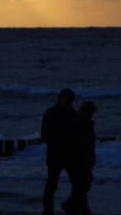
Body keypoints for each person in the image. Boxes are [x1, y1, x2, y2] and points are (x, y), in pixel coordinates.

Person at [41, 87, 77, 215]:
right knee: (52, 183)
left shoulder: (72, 113)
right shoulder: (51, 113)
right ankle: (47, 208)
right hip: (55, 154)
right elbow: (44, 135)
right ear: (61, 98)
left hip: (69, 154)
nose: (69, 102)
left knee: (77, 182)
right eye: (67, 99)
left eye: (71, 100)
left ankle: (71, 205)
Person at [64, 100, 97, 215]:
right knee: (81, 187)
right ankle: (74, 207)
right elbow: (79, 144)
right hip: (78, 161)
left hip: (81, 161)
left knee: (81, 187)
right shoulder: (80, 124)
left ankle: (74, 207)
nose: (92, 114)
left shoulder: (84, 123)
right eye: (91, 112)